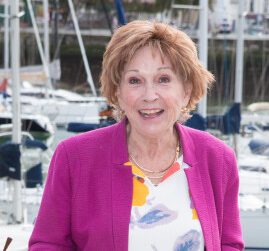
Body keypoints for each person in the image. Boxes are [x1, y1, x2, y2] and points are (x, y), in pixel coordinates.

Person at [29, 20, 244, 250]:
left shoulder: (218, 159)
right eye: (135, 81)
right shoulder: (74, 157)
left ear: (186, 90)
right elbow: (48, 244)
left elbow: (229, 244)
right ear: (118, 93)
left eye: (163, 79)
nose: (149, 95)